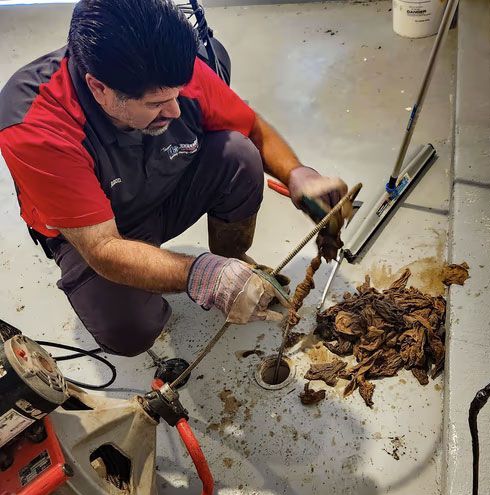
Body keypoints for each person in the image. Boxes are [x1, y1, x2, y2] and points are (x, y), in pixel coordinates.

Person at [0, 0, 348, 357]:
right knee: (131, 329)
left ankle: (232, 257)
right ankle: (208, 280)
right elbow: (103, 248)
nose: (175, 110)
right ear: (100, 88)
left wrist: (297, 174)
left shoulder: (172, 69)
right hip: (97, 233)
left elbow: (253, 129)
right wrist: (201, 276)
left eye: (176, 94)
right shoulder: (35, 124)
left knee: (239, 154)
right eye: (156, 104)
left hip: (160, 186)